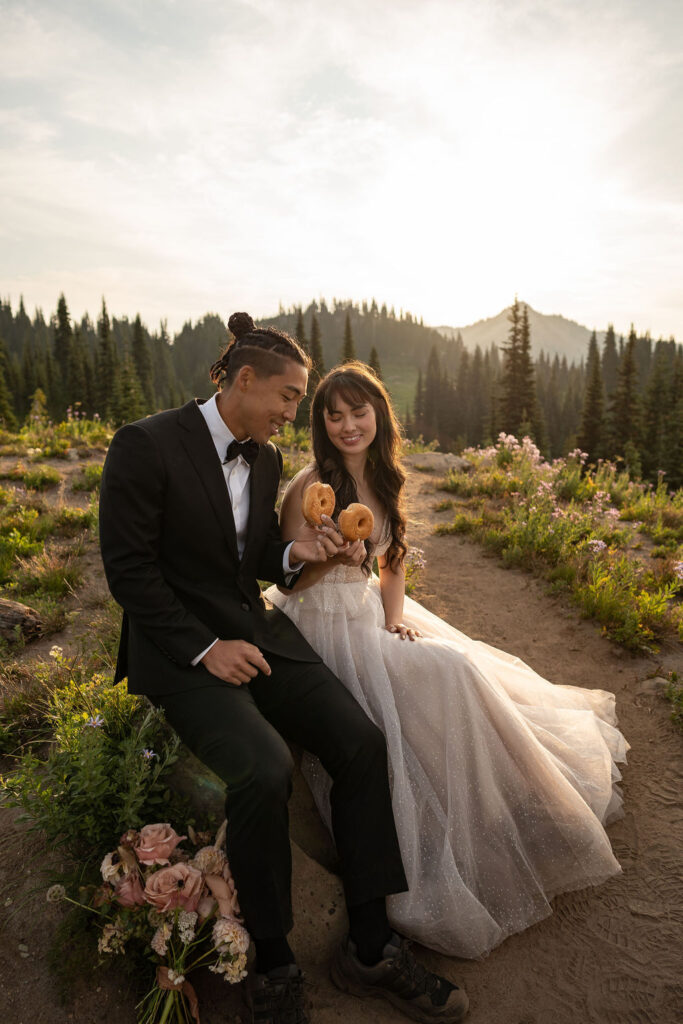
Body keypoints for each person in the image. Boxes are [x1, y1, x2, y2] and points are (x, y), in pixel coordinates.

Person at [99, 316, 469, 1024]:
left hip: (258, 631)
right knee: (264, 769)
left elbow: (258, 559)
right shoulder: (143, 445)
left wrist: (301, 552)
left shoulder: (264, 461)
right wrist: (207, 649)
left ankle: (368, 947)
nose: (293, 414)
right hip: (181, 653)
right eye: (289, 397)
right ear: (245, 380)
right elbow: (129, 572)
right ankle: (273, 963)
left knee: (360, 742)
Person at [268, 361, 629, 961]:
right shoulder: (310, 488)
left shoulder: (382, 479)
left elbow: (391, 563)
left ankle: (516, 799)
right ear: (320, 423)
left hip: (366, 616)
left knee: (461, 665)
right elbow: (290, 583)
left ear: (379, 414)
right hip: (315, 627)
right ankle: (447, 837)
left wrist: (393, 617)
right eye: (334, 415)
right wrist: (329, 559)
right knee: (447, 674)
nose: (348, 425)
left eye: (359, 412)